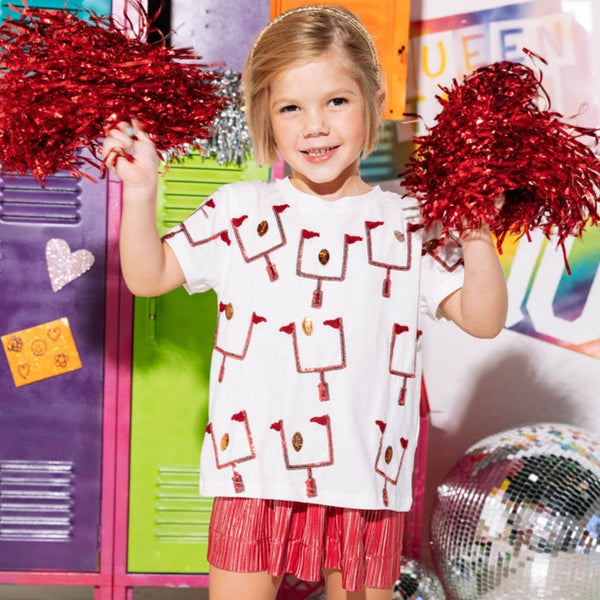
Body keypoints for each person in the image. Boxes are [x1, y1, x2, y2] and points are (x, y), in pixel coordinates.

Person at [102, 5, 508, 600]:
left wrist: (476, 233)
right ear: (266, 116)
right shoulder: (240, 209)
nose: (315, 126)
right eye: (291, 108)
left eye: (336, 102)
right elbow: (149, 274)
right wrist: (141, 192)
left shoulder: (407, 222)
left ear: (374, 97)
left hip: (365, 477)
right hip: (254, 474)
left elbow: (483, 318)